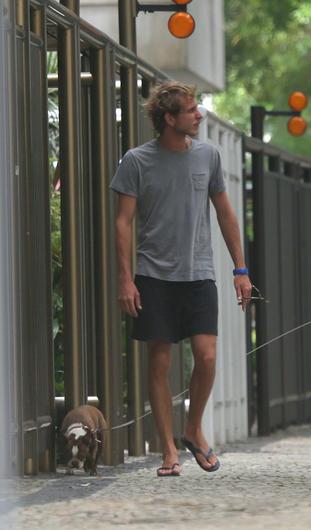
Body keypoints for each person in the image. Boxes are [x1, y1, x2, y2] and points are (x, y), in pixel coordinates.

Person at [111, 81, 251, 477]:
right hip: (153, 275)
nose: (199, 115)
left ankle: (193, 428)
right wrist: (126, 280)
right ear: (169, 119)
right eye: (191, 110)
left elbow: (225, 213)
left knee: (206, 356)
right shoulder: (137, 161)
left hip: (199, 273)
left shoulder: (208, 155)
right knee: (160, 362)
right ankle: (169, 450)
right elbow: (122, 223)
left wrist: (241, 269)